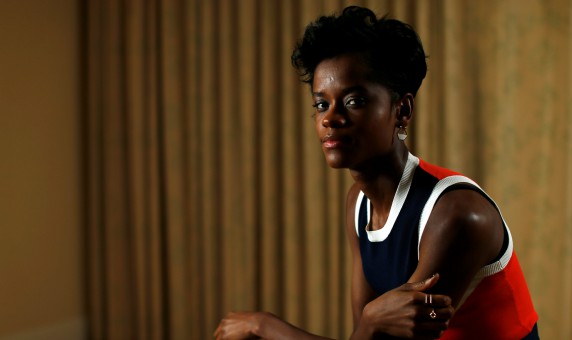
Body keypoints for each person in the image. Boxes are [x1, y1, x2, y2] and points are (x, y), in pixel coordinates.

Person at [215, 6, 538, 339]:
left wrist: (264, 325)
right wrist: (371, 322)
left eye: (354, 101)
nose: (330, 119)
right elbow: (364, 335)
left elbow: (373, 332)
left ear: (403, 109)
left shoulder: (457, 215)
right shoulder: (358, 203)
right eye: (321, 104)